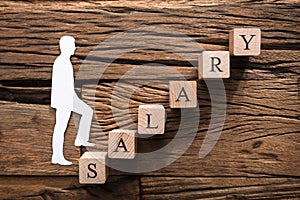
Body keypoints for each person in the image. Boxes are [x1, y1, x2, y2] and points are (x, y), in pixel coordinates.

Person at [51, 36, 95, 166]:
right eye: (72, 45)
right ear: (65, 47)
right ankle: (57, 156)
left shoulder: (65, 62)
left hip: (69, 98)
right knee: (60, 128)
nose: (74, 48)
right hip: (63, 101)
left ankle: (81, 139)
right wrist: (62, 102)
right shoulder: (61, 62)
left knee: (87, 111)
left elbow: (68, 86)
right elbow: (59, 86)